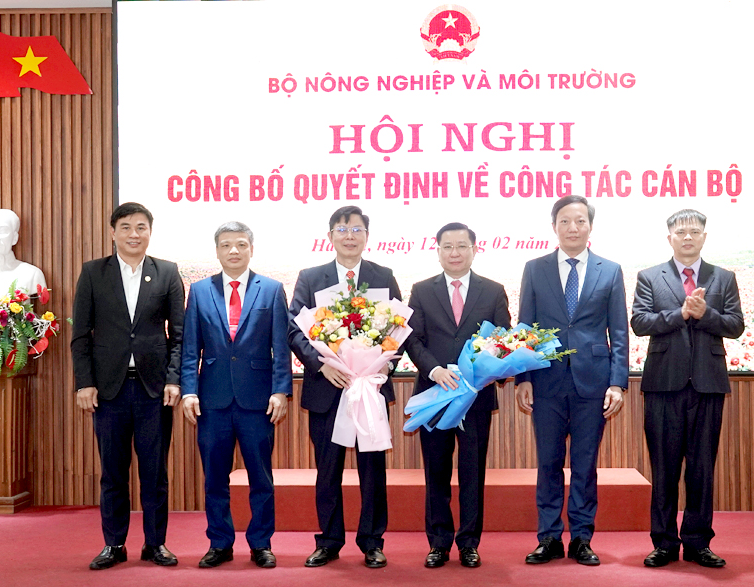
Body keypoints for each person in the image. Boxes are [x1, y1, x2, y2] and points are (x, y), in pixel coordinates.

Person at [515, 195, 628, 566]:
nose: (573, 228)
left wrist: (617, 383)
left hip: (592, 383)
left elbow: (618, 332)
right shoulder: (535, 268)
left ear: (590, 226)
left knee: (584, 464)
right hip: (545, 381)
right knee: (548, 462)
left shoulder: (610, 270)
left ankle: (581, 538)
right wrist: (522, 378)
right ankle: (548, 537)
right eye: (565, 221)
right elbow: (525, 326)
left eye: (580, 221)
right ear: (554, 227)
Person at [71, 202, 184, 570]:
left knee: (155, 473)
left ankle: (155, 544)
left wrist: (173, 379)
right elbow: (80, 335)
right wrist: (84, 383)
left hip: (154, 391)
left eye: (141, 227)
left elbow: (179, 335)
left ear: (150, 232)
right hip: (109, 391)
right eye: (126, 227)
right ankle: (114, 544)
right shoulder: (93, 272)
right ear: (113, 232)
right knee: (113, 473)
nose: (134, 234)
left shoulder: (167, 272)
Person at [630, 208, 744, 569]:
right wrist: (679, 314)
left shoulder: (723, 278)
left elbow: (735, 325)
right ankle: (664, 543)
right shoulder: (650, 277)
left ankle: (697, 543)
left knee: (701, 469)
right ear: (670, 238)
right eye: (681, 232)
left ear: (704, 237)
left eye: (694, 231)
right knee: (663, 468)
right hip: (663, 385)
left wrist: (704, 314)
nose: (688, 237)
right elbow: (639, 322)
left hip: (707, 385)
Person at [289, 205, 402, 569]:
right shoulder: (311, 277)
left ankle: (372, 542)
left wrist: (380, 367)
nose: (349, 236)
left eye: (356, 229)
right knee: (328, 470)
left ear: (366, 236)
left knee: (372, 471)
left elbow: (399, 329)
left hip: (369, 390)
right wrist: (321, 365)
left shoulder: (383, 276)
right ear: (330, 236)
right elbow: (294, 328)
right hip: (327, 388)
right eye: (342, 229)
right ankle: (329, 541)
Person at [179, 221, 293, 569]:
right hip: (212, 400)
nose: (234, 250)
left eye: (241, 244)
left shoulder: (271, 289)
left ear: (251, 249)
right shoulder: (199, 291)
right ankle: (220, 543)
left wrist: (280, 391)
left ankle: (261, 543)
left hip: (257, 401)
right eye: (226, 244)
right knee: (215, 479)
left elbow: (280, 346)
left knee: (261, 478)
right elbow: (190, 348)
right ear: (217, 251)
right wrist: (188, 391)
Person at [405, 222, 511, 569]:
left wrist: (480, 371)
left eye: (462, 246)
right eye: (447, 246)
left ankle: (469, 543)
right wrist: (434, 370)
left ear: (474, 250)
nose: (455, 253)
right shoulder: (421, 290)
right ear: (437, 251)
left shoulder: (493, 291)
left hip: (475, 397)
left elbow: (503, 339)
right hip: (435, 394)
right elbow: (413, 339)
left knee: (472, 472)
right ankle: (438, 543)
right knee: (435, 471)